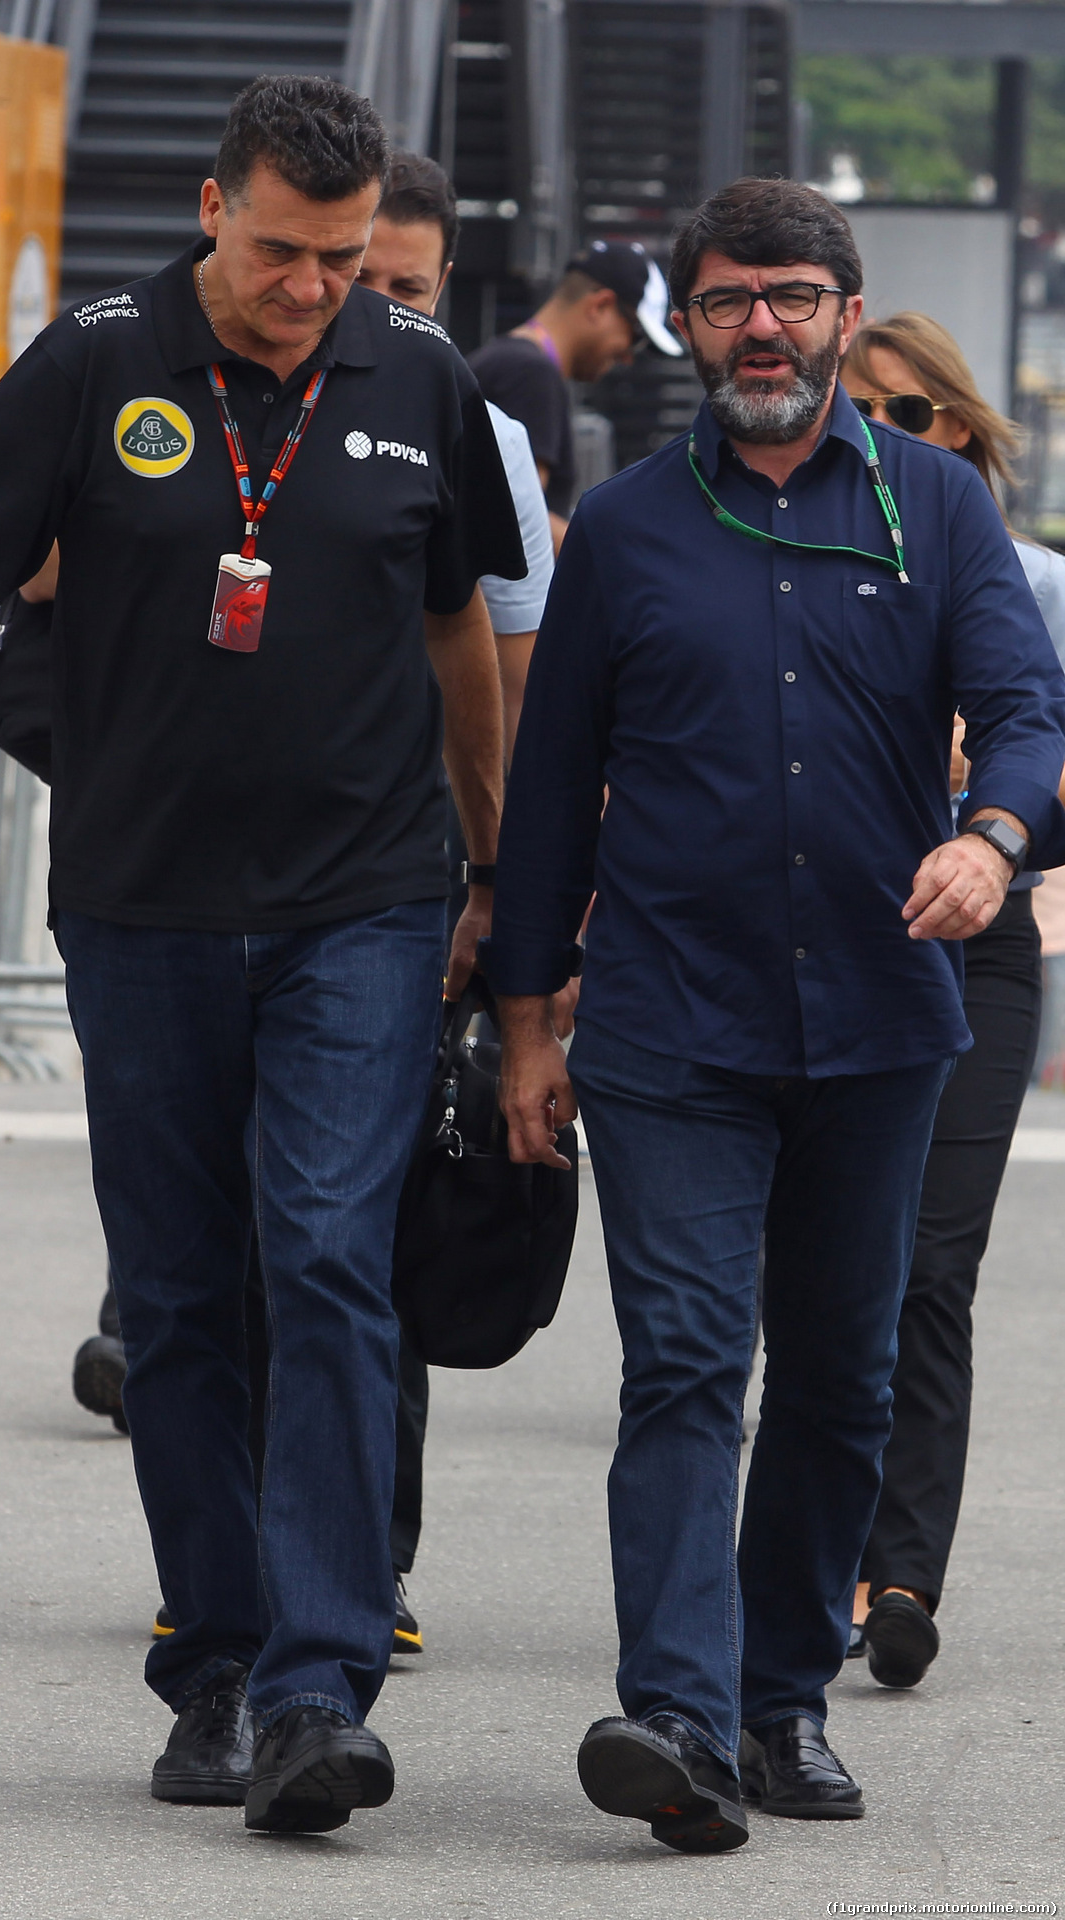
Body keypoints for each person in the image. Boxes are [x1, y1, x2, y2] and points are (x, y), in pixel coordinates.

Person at [0, 74, 526, 1833]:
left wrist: (498, 878)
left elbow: (464, 654)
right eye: (280, 250)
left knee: (330, 1262)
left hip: (363, 906)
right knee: (184, 1295)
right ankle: (213, 1660)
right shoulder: (96, 358)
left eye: (341, 259)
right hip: (141, 908)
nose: (310, 287)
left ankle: (316, 1685)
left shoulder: (419, 373)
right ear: (215, 208)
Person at [484, 177, 1065, 1854]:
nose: (766, 326)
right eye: (733, 298)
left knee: (839, 1375)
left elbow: (1027, 718)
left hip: (885, 1021)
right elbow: (552, 798)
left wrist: (992, 834)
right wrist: (529, 1022)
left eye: (796, 298)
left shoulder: (939, 511)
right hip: (672, 1024)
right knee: (681, 1361)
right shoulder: (630, 533)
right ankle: (674, 1708)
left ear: (841, 308)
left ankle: (780, 1697)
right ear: (690, 323)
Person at [838, 311, 1065, 1687]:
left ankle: (899, 1567)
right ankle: (811, 1541)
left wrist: (996, 819)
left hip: (980, 945)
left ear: (966, 432)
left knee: (934, 1265)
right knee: (823, 1272)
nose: (889, 443)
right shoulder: (801, 560)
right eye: (866, 416)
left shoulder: (1036, 582)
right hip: (822, 941)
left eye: (914, 418)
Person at [355, 148, 557, 1639]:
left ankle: (371, 1552)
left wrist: (505, 898)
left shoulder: (478, 434)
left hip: (408, 883)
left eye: (406, 292)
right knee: (223, 1241)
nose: (370, 314)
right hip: (203, 880)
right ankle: (231, 1558)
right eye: (357, 281)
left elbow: (523, 680)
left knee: (361, 1217)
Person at [468, 238, 683, 551]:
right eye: (635, 336)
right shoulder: (531, 373)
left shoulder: (510, 359)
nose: (628, 357)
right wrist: (621, 560)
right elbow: (517, 517)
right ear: (601, 305)